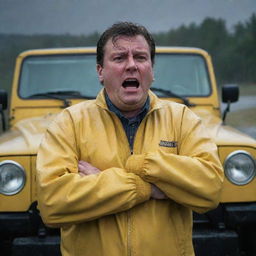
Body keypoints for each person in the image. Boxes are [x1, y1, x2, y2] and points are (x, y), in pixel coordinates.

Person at [36, 22, 224, 256]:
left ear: (152, 70)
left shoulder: (183, 119)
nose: (132, 65)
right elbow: (52, 204)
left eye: (141, 57)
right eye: (119, 58)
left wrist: (139, 165)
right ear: (100, 71)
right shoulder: (70, 123)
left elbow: (210, 189)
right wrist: (146, 187)